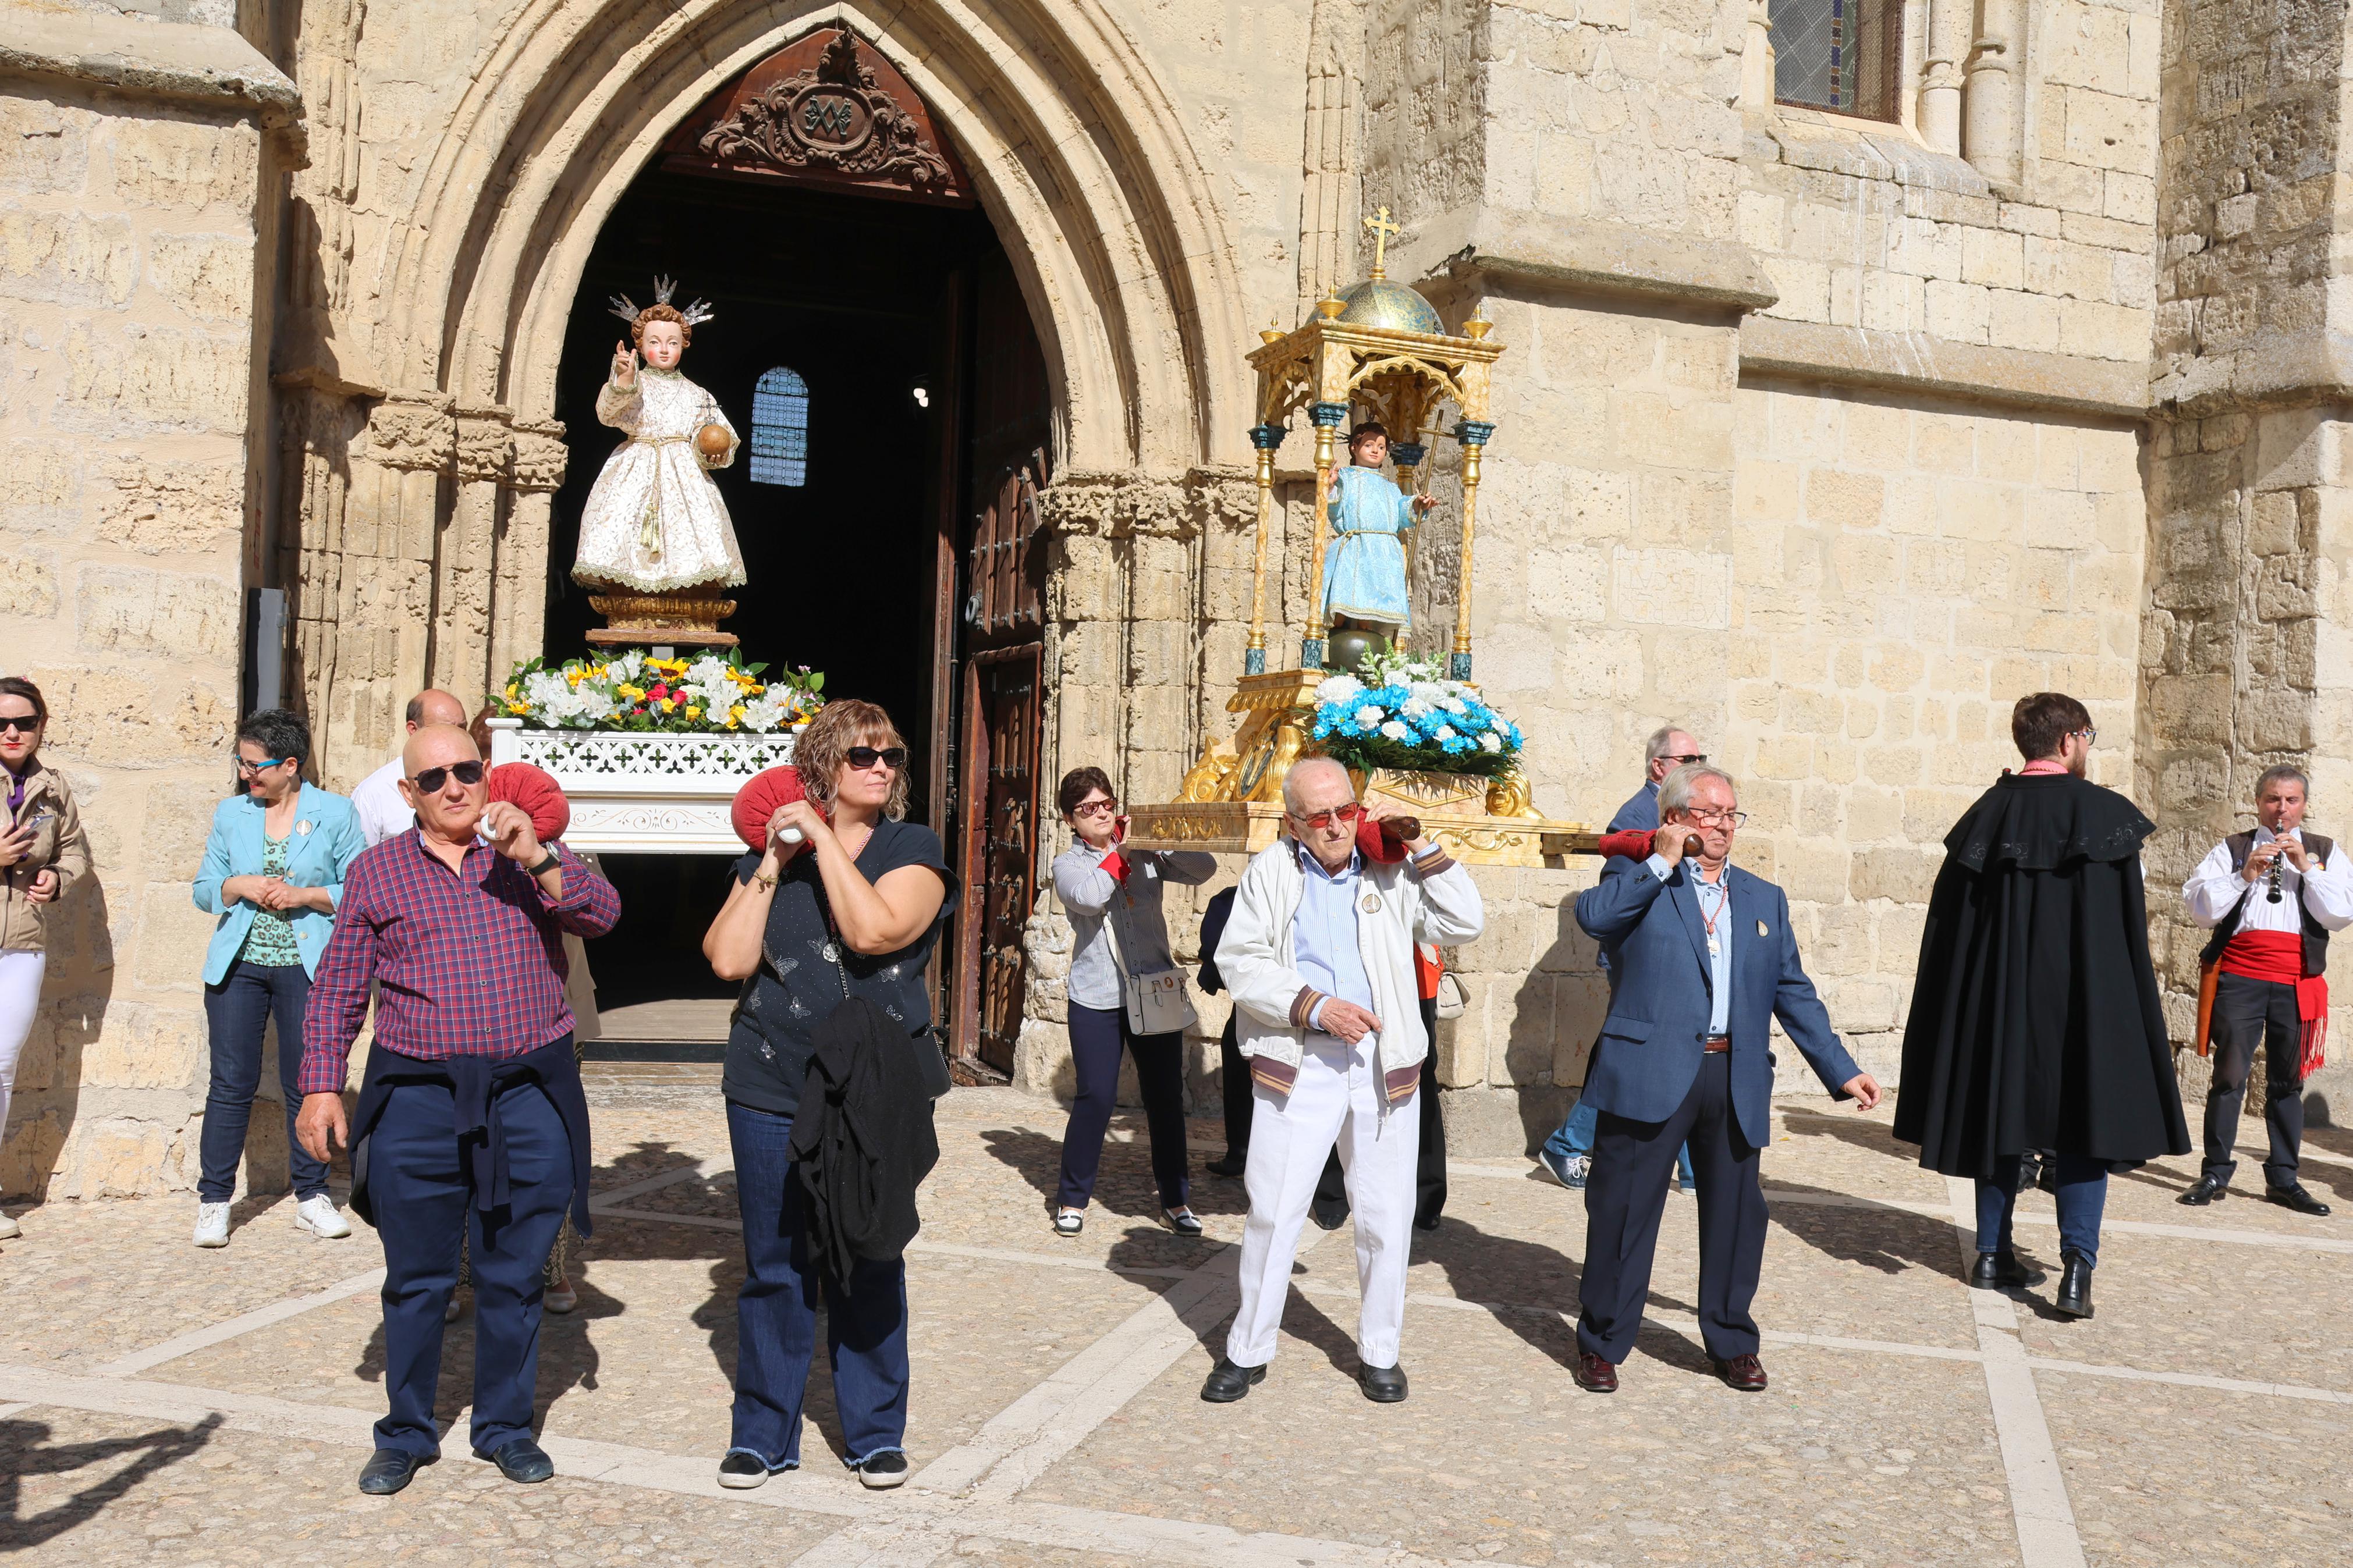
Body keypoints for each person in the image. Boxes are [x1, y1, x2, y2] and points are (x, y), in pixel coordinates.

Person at [294, 723, 620, 1496]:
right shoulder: (376, 872)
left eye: (465, 769)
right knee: (417, 1278)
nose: (452, 785)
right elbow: (338, 986)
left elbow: (602, 914)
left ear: (486, 774)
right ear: (407, 792)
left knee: (513, 1273)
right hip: (418, 1097)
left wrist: (537, 855)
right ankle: (406, 1432)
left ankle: (505, 1428)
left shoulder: (528, 858)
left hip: (526, 1093)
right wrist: (317, 1084)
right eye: (433, 775)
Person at [702, 700, 955, 1492]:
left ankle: (875, 1432)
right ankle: (761, 1433)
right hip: (770, 1077)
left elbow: (874, 931)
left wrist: (821, 840)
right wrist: (775, 859)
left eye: (891, 753)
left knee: (868, 1251)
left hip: (874, 1086)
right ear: (822, 768)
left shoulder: (911, 846)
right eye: (861, 755)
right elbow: (725, 958)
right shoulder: (772, 854)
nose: (881, 765)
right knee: (774, 1265)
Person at [1568, 764, 1880, 1395]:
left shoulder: (1763, 897)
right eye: (1707, 813)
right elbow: (1594, 918)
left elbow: (1792, 990)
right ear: (1675, 817)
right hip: (1649, 1071)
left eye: (1729, 815)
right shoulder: (1636, 879)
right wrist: (1659, 864)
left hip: (1732, 1073)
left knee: (1738, 1218)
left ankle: (1731, 1340)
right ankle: (1601, 1341)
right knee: (1622, 1212)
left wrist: (1840, 1069)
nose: (1721, 826)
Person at [1896, 693, 2190, 1321]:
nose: (2087, 745)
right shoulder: (2106, 816)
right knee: (2085, 1126)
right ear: (2067, 742)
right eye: (2087, 735)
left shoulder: (1985, 814)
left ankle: (1990, 1254)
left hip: (1997, 1005)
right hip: (2081, 1004)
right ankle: (2076, 1271)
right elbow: (2122, 933)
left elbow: (1950, 929)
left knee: (1997, 1122)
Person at [1201, 756, 1484, 1406]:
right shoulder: (1271, 872)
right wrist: (1313, 1004)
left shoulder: (1392, 871)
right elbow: (1238, 961)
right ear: (1293, 822)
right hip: (1301, 1059)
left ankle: (1379, 1351)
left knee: (1386, 1214)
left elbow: (1465, 922)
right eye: (1320, 816)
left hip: (1382, 1062)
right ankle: (1247, 1350)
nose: (1335, 827)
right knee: (1274, 1212)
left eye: (1345, 811)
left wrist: (1418, 843)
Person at [190, 709, 365, 1249]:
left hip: (307, 967)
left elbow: (358, 890)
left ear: (290, 764)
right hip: (238, 966)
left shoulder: (335, 813)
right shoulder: (230, 814)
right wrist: (237, 884)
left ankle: (311, 1197)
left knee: (306, 1083)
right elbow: (202, 889)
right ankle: (214, 1200)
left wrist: (302, 896)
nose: (247, 775)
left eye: (255, 765)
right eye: (241, 764)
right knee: (230, 1085)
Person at [1537, 724, 1705, 1193]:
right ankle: (1568, 1143)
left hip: (1676, 955)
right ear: (1660, 766)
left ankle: (1694, 1168)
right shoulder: (1636, 814)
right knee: (1629, 1058)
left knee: (1683, 1049)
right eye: (1689, 760)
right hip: (1644, 960)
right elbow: (1617, 898)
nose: (1699, 767)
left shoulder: (1673, 810)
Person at [1048, 766, 1216, 1236]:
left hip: (1152, 990)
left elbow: (1204, 869)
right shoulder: (1069, 864)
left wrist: (1160, 839)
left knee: (1164, 1096)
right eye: (1088, 809)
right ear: (1069, 819)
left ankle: (1176, 1200)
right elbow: (1088, 897)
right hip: (1097, 996)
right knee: (1096, 1097)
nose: (1100, 813)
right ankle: (1072, 1197)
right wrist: (1120, 851)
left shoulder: (1141, 849)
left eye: (1105, 804)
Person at [2177, 763, 2346, 1214]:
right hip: (2242, 976)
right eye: (2273, 799)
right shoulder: (2232, 849)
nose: (2282, 808)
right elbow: (2198, 908)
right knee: (2229, 1075)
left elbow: (2339, 912)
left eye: (2291, 800)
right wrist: (2243, 876)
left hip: (2295, 979)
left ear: (2303, 805)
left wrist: (2305, 868)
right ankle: (2214, 1170)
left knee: (2287, 1081)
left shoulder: (2323, 850)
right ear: (2258, 803)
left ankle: (2284, 1178)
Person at [573, 280, 744, 593]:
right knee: (623, 537)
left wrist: (715, 453)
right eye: (655, 342)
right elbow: (607, 413)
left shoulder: (698, 394)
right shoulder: (635, 385)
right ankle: (629, 596)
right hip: (635, 468)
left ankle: (680, 600)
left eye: (673, 343)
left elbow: (718, 435)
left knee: (690, 545)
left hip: (685, 478)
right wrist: (623, 377)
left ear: (684, 346)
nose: (664, 349)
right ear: (639, 344)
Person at [0, 677, 90, 1242]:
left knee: (2, 1067)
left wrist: (58, 876)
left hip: (22, 943)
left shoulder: (53, 789)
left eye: (24, 722)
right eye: (1, 723)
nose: (12, 732)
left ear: (41, 726)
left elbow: (76, 850)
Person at [1320, 421, 1434, 643]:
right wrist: (1331, 485)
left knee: (1372, 606)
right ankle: (1332, 644)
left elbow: (1401, 511)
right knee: (1347, 601)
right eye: (1369, 445)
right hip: (1357, 547)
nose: (1375, 451)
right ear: (1354, 447)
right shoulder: (1346, 478)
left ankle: (1367, 642)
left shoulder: (1390, 487)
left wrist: (1417, 505)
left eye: (1381, 447)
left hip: (1383, 553)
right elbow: (1334, 505)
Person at [350, 689, 469, 847]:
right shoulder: (373, 794)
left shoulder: (475, 782)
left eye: (463, 728)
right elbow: (362, 864)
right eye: (445, 728)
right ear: (413, 729)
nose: (457, 737)